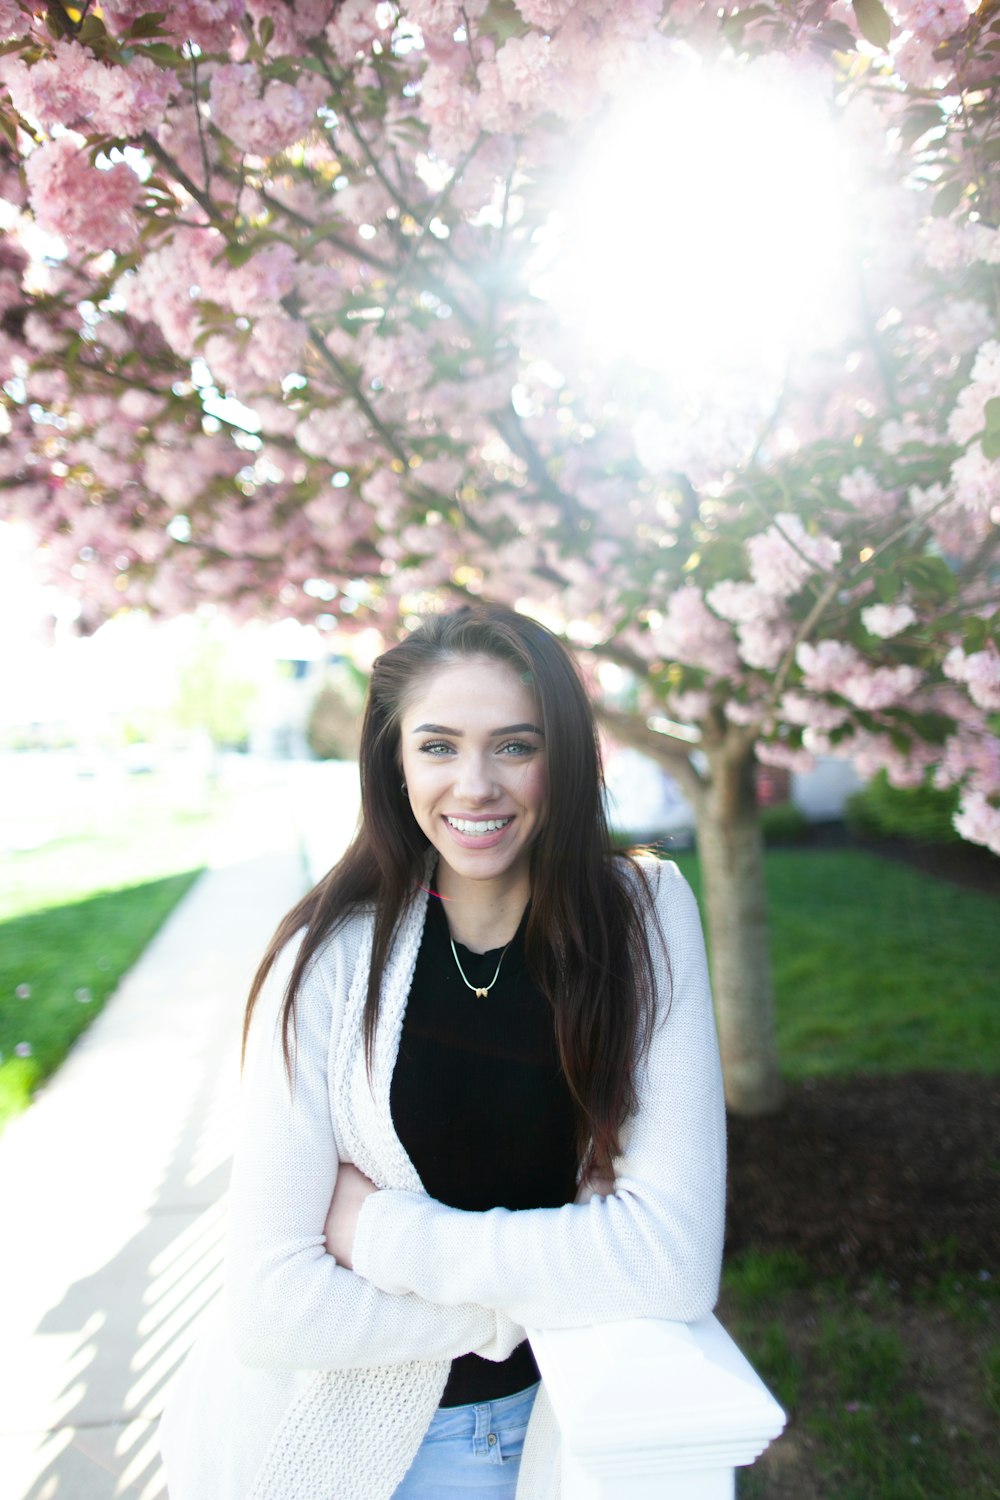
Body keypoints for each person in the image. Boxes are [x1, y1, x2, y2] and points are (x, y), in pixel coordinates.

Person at [159, 603, 726, 1500]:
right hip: (349, 1445)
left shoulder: (644, 919)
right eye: (437, 746)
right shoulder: (325, 963)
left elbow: (672, 1261)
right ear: (393, 761)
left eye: (514, 745)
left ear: (566, 757)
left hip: (565, 1429)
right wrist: (521, 1306)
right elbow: (273, 1308)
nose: (475, 786)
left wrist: (379, 1233)